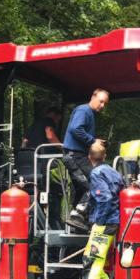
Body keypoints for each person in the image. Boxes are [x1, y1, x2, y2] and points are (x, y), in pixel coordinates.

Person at [65, 141, 124, 279]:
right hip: (113, 222)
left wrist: (99, 221)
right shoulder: (114, 172)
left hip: (104, 224)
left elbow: (104, 198)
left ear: (89, 157)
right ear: (105, 156)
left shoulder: (97, 173)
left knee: (91, 263)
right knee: (94, 259)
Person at [63, 88, 110, 231]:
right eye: (101, 101)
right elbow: (76, 129)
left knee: (81, 188)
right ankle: (77, 214)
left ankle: (78, 222)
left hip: (77, 155)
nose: (102, 105)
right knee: (96, 182)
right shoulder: (83, 110)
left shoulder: (89, 113)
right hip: (74, 155)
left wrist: (96, 141)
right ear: (93, 97)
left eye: (105, 104)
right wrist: (92, 141)